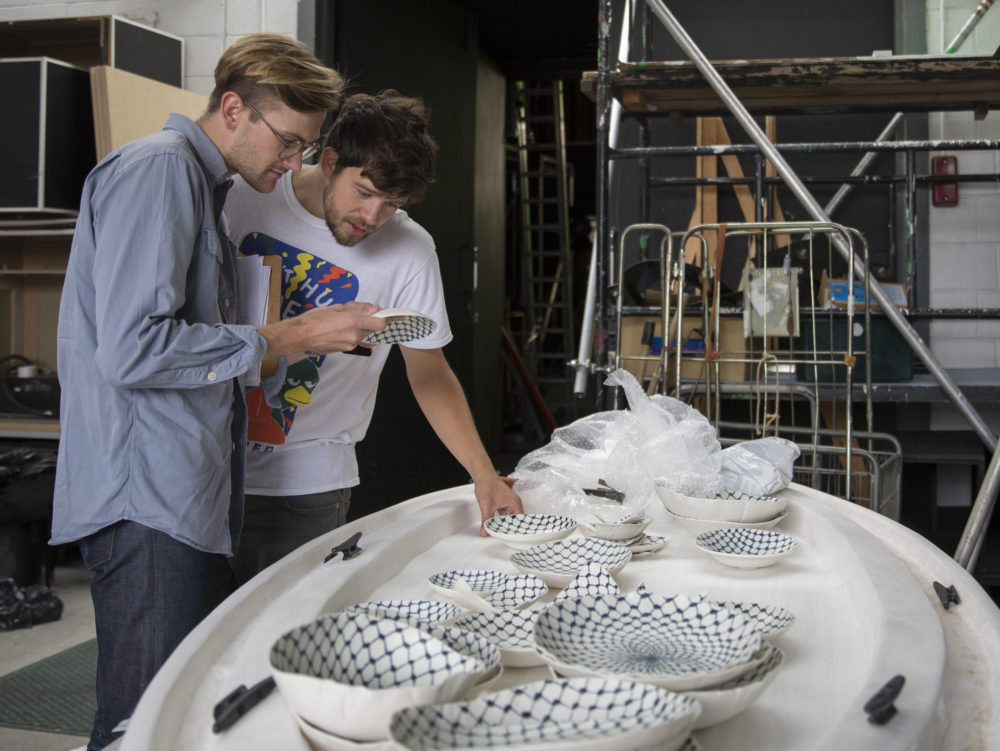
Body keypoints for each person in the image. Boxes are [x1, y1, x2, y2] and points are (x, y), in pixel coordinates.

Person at [50, 34, 386, 751]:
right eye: (288, 142)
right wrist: (290, 337)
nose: (293, 162)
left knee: (181, 714)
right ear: (233, 109)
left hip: (181, 500)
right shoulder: (158, 173)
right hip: (148, 502)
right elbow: (135, 348)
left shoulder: (204, 188)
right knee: (143, 725)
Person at [224, 90, 523, 583]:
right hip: (206, 464)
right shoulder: (246, 197)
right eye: (363, 192)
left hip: (307, 484)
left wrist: (484, 476)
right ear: (332, 158)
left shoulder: (410, 250)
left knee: (287, 637)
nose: (372, 217)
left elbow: (430, 374)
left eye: (392, 204)